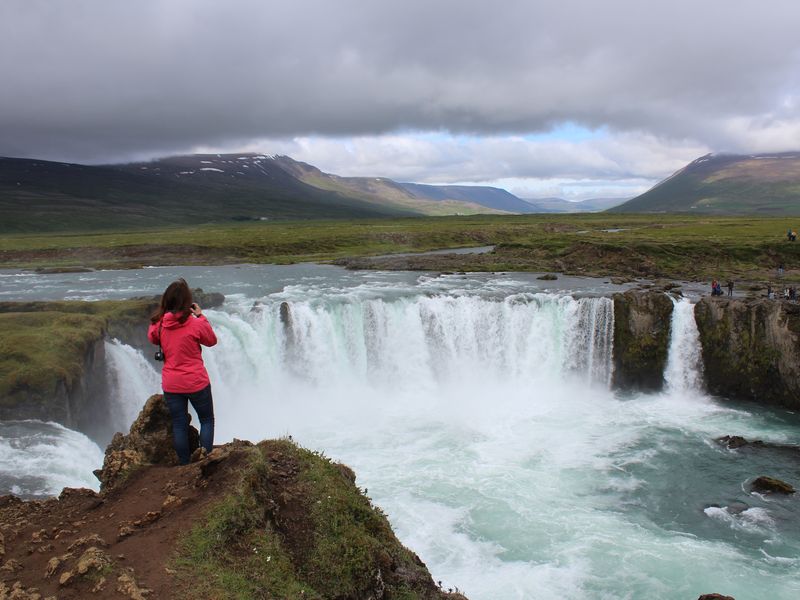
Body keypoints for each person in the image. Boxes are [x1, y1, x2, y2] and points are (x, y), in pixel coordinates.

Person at [148, 278, 218, 465]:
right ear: (187, 302)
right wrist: (200, 316)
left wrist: (162, 316)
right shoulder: (195, 324)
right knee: (206, 420)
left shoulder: (160, 325)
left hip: (172, 384)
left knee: (179, 424)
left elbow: (152, 337)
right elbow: (211, 340)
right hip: (196, 382)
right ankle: (204, 461)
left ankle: (185, 464)